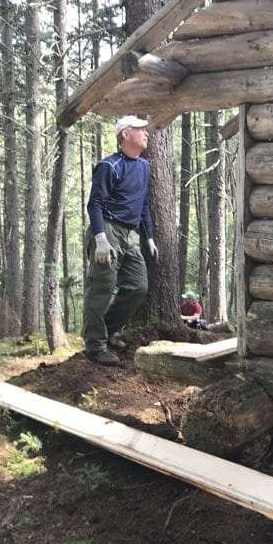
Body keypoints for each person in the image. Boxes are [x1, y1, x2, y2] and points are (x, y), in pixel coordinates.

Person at [82, 115, 158, 366]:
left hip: (130, 234)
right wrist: (100, 238)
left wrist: (148, 237)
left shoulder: (144, 167)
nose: (146, 133)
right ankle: (95, 346)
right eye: (140, 130)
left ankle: (109, 331)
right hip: (107, 230)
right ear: (125, 135)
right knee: (102, 288)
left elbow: (143, 205)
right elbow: (94, 204)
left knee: (138, 287)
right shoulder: (109, 166)